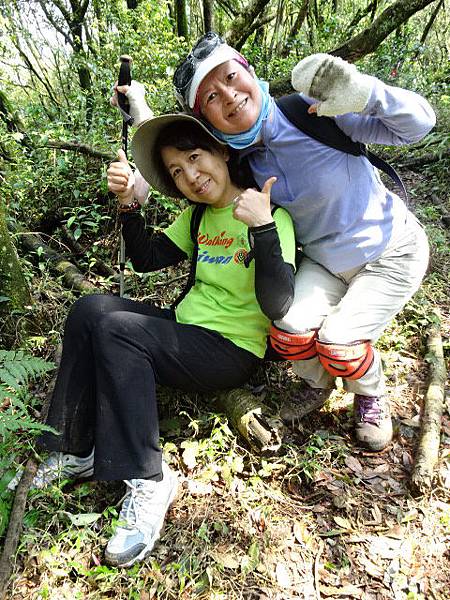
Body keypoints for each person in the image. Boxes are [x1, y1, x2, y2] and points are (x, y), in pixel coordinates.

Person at [118, 32, 436, 452]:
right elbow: (188, 158)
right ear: (207, 121)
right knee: (286, 327)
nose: (229, 96)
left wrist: (364, 92)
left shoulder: (312, 114)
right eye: (211, 97)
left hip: (390, 249)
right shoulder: (242, 157)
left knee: (338, 340)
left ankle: (370, 392)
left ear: (248, 71)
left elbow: (419, 124)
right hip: (326, 263)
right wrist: (138, 110)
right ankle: (320, 384)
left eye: (231, 77)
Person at [14, 113, 296, 568]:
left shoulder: (268, 212)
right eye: (177, 171)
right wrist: (129, 205)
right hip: (185, 329)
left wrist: (262, 228)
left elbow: (278, 302)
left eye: (194, 157)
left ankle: (149, 477)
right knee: (92, 310)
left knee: (116, 329)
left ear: (221, 151)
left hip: (231, 350)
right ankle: (76, 448)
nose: (191, 175)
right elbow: (146, 258)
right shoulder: (200, 216)